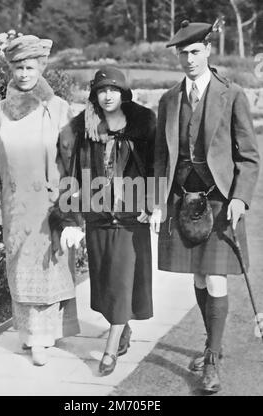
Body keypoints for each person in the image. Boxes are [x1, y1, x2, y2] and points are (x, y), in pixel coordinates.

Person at [151, 20, 260, 393]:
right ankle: (211, 342)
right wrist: (157, 204)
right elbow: (159, 160)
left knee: (214, 278)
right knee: (198, 277)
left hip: (219, 200)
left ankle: (212, 359)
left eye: (195, 51)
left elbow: (248, 156)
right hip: (183, 200)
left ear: (208, 50)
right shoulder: (168, 100)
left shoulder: (232, 95)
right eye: (183, 53)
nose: (189, 59)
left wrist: (241, 198)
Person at [0, 35, 83, 366]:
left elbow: (73, 156)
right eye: (18, 67)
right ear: (11, 69)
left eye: (29, 67)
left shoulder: (59, 108)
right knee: (21, 268)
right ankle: (29, 335)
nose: (24, 74)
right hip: (16, 206)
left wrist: (74, 197)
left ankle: (44, 336)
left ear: (41, 67)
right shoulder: (0, 111)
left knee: (48, 268)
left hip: (50, 205)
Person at [57, 66, 156, 375]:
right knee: (107, 285)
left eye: (114, 90)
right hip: (98, 215)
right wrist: (70, 216)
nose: (108, 95)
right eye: (102, 90)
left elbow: (157, 164)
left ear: (124, 94)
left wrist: (152, 202)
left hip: (130, 217)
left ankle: (109, 351)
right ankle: (121, 327)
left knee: (123, 280)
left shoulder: (142, 125)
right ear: (94, 95)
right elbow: (69, 173)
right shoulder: (82, 128)